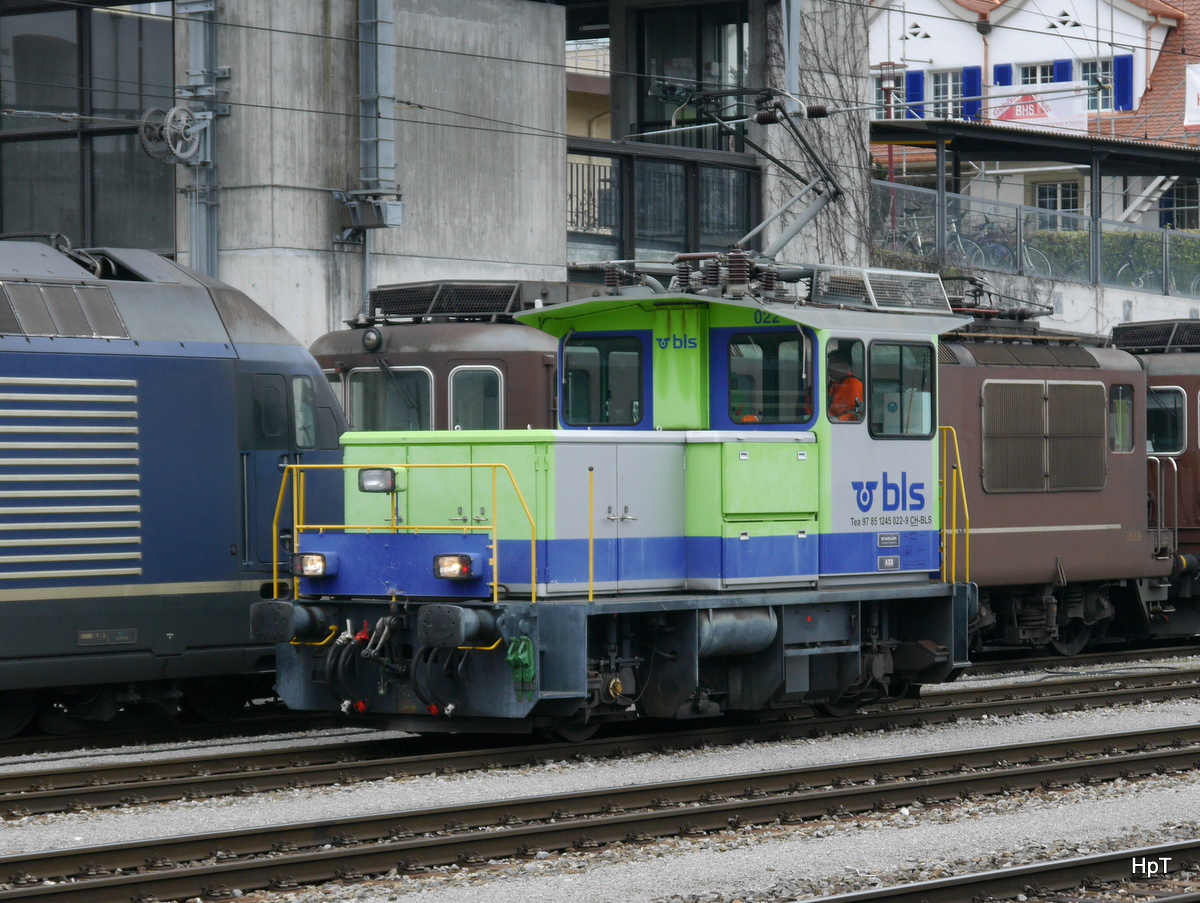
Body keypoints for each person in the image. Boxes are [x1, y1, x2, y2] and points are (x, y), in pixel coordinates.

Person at [827, 348, 863, 422]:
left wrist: (838, 420)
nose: (828, 369)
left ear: (843, 366)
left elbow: (857, 413)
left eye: (831, 365)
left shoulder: (854, 385)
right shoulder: (835, 384)